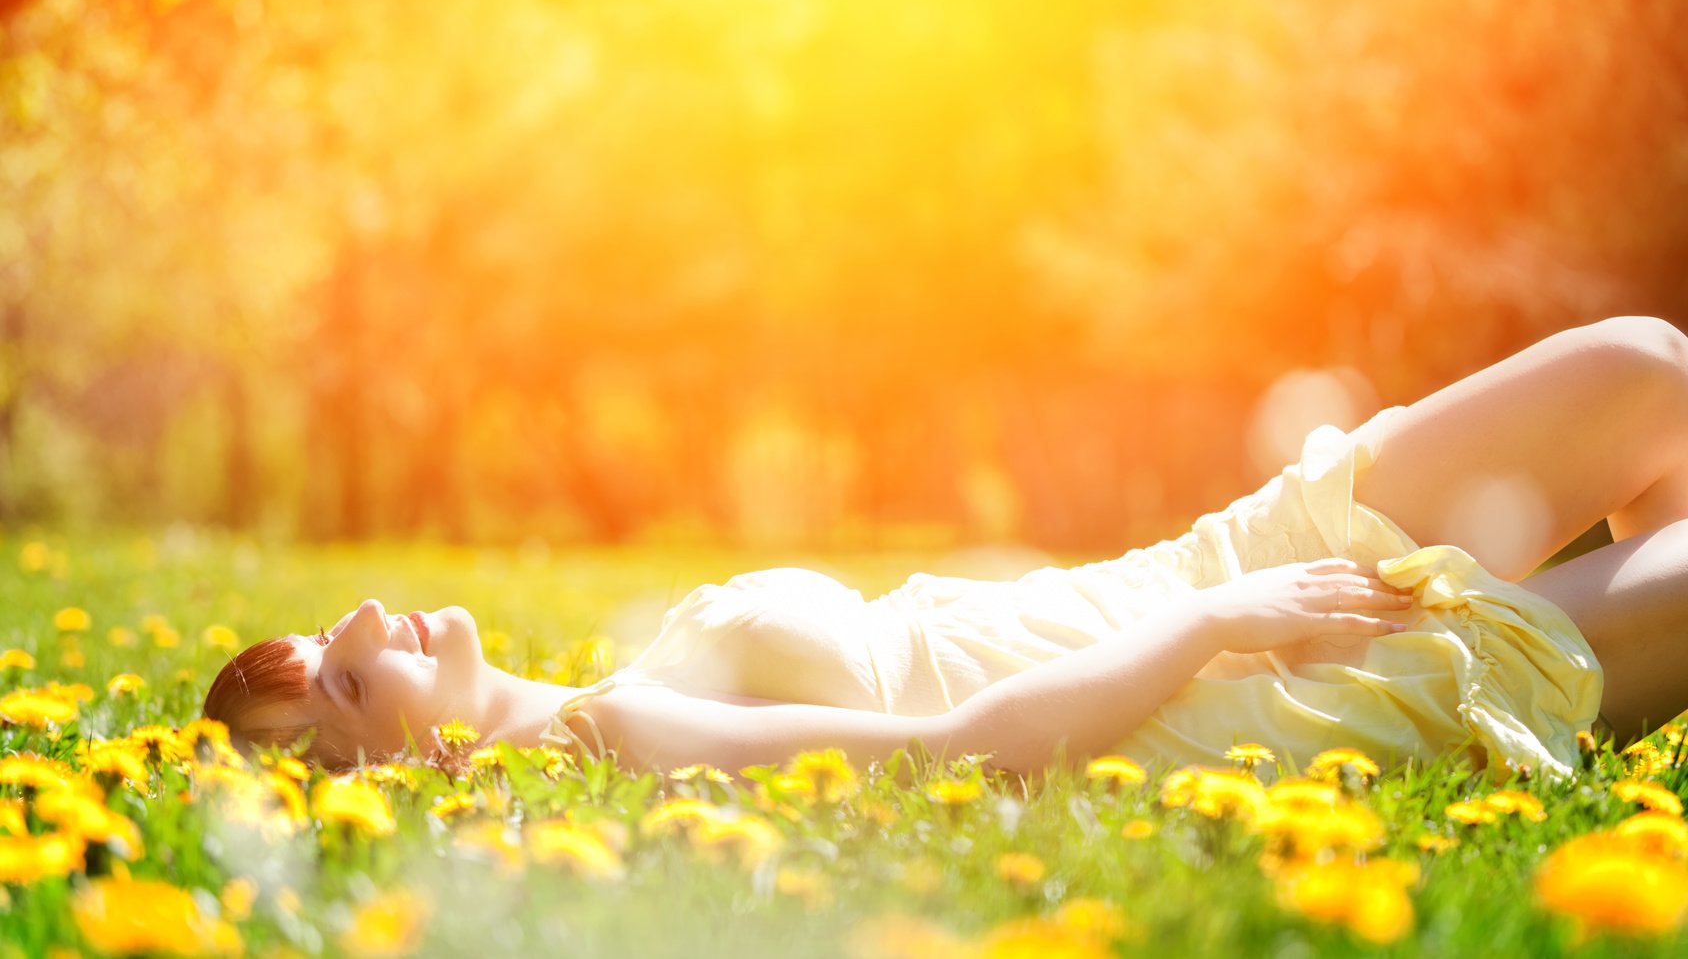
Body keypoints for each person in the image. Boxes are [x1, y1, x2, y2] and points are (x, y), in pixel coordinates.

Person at [204, 316, 1688, 781]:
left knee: (1646, 369)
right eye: (334, 692)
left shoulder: (625, 670)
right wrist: (1223, 619)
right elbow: (972, 751)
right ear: (386, 787)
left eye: (323, 643)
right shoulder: (626, 736)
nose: (360, 625)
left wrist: (1208, 576)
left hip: (1181, 571)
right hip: (1216, 676)